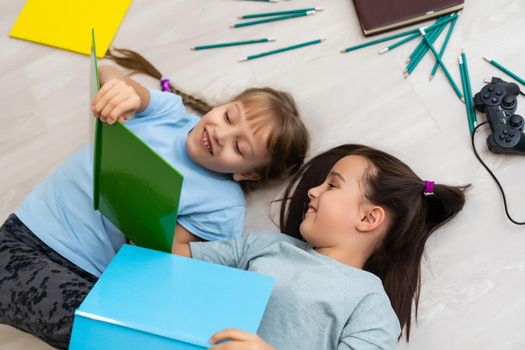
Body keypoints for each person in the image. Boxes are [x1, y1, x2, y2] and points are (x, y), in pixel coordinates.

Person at [0, 51, 309, 349]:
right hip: (27, 235)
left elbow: (162, 258)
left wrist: (143, 217)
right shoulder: (171, 113)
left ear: (248, 174)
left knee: (100, 331)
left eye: (239, 148)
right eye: (228, 116)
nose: (220, 134)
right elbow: (107, 71)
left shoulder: (224, 207)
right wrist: (120, 91)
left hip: (89, 278)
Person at [173, 144, 468, 349]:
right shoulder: (268, 246)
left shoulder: (369, 303)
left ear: (368, 217)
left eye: (332, 185)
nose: (312, 191)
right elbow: (177, 256)